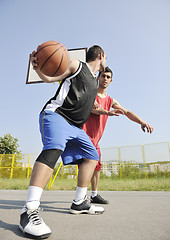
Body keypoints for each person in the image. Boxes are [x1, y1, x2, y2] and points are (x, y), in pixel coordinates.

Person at [19, 45, 107, 239]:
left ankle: (79, 202)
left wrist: (108, 112)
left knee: (92, 156)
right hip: (57, 116)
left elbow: (91, 107)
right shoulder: (77, 65)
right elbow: (51, 78)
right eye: (105, 59)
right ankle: (29, 210)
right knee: (54, 148)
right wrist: (38, 69)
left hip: (76, 127)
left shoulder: (94, 82)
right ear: (101, 56)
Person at [82, 66, 153, 204]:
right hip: (84, 136)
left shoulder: (110, 100)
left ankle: (94, 194)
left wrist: (142, 122)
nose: (105, 79)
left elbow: (126, 112)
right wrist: (107, 112)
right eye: (103, 76)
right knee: (87, 165)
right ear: (98, 77)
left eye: (108, 77)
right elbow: (92, 109)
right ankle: (81, 197)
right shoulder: (90, 94)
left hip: (96, 139)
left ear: (111, 81)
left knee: (97, 167)